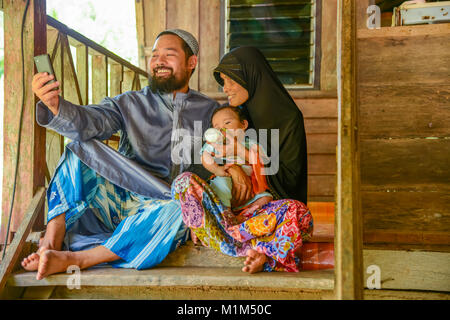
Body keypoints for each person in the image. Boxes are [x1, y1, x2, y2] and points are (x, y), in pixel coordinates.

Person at [20, 29, 225, 280]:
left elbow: (227, 156)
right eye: (154, 55)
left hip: (162, 207)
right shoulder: (129, 103)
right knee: (80, 146)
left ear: (191, 62)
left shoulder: (210, 112)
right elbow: (89, 121)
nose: (158, 61)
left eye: (168, 55)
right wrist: (54, 105)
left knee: (182, 210)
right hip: (118, 196)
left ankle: (77, 258)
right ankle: (52, 241)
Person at [172, 46, 313, 273]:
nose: (225, 88)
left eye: (230, 80)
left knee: (297, 212)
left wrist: (253, 171)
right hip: (226, 210)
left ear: (251, 76)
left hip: (259, 211)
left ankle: (232, 241)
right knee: (183, 182)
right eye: (223, 81)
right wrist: (233, 168)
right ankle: (258, 250)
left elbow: (291, 180)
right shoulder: (232, 117)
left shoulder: (289, 119)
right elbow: (199, 163)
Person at [200, 106, 272, 214]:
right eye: (216, 127)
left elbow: (262, 160)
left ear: (243, 125)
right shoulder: (216, 144)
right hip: (226, 177)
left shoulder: (249, 144)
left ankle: (247, 214)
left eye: (227, 123)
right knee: (222, 185)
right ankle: (226, 215)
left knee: (266, 198)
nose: (222, 129)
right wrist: (216, 169)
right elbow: (204, 156)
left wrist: (243, 151)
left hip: (250, 189)